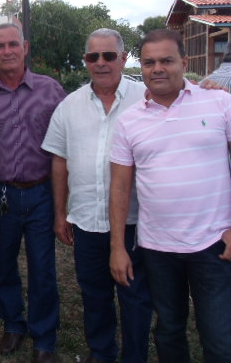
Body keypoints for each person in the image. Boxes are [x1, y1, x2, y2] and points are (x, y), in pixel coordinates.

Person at [110, 29, 231, 363]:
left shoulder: (219, 102)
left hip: (213, 244)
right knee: (169, 332)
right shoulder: (129, 122)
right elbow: (119, 187)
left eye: (166, 60)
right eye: (149, 63)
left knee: (220, 340)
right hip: (158, 248)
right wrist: (118, 247)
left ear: (184, 62)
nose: (157, 69)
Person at [41, 28, 152, 363]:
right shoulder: (69, 106)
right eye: (93, 56)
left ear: (124, 58)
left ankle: (134, 357)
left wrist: (213, 87)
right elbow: (59, 160)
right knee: (94, 293)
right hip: (87, 218)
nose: (101, 63)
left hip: (135, 220)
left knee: (135, 296)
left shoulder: (147, 98)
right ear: (85, 60)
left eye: (109, 55)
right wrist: (60, 214)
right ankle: (102, 352)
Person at [0, 23, 65, 363]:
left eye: (13, 44)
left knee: (42, 266)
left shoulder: (51, 91)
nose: (7, 51)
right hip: (3, 195)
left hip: (42, 192)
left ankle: (44, 337)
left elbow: (67, 140)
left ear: (24, 47)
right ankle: (13, 323)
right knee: (4, 262)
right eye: (0, 46)